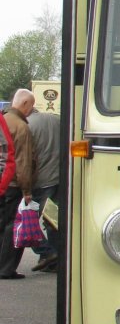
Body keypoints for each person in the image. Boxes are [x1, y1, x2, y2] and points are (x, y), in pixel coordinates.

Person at [0, 89, 38, 280]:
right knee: (11, 227)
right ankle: (6, 268)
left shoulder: (3, 120)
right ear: (25, 104)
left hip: (2, 182)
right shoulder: (21, 127)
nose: (32, 110)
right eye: (31, 105)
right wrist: (27, 190)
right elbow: (23, 161)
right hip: (14, 185)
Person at [27, 107, 60, 273]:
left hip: (40, 181)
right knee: (52, 218)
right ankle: (55, 258)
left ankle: (46, 251)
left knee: (28, 221)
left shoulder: (28, 124)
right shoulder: (57, 120)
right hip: (59, 178)